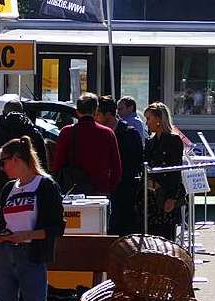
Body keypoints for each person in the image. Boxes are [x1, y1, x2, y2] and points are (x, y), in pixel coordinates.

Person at [0, 136, 66, 301]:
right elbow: (1, 221)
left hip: (31, 257)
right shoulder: (8, 188)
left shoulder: (45, 185)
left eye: (3, 161)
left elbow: (57, 227)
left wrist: (26, 236)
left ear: (16, 159)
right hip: (5, 255)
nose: (2, 167)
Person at [0, 99, 48, 231]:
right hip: (26, 193)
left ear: (3, 113)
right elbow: (42, 166)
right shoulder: (33, 132)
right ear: (23, 113)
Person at [51, 93, 122, 196]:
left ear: (77, 111)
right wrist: (108, 189)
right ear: (95, 110)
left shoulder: (66, 132)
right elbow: (117, 169)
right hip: (100, 191)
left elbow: (57, 165)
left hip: (72, 191)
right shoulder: (107, 133)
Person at [144, 102, 188, 240]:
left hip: (166, 194)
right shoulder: (150, 142)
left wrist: (172, 198)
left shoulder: (173, 140)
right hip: (151, 196)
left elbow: (176, 170)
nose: (147, 123)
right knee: (152, 236)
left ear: (158, 120)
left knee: (166, 236)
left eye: (149, 119)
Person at [111, 101, 146, 236]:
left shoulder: (133, 124)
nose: (119, 112)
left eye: (121, 108)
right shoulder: (127, 123)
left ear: (131, 108)